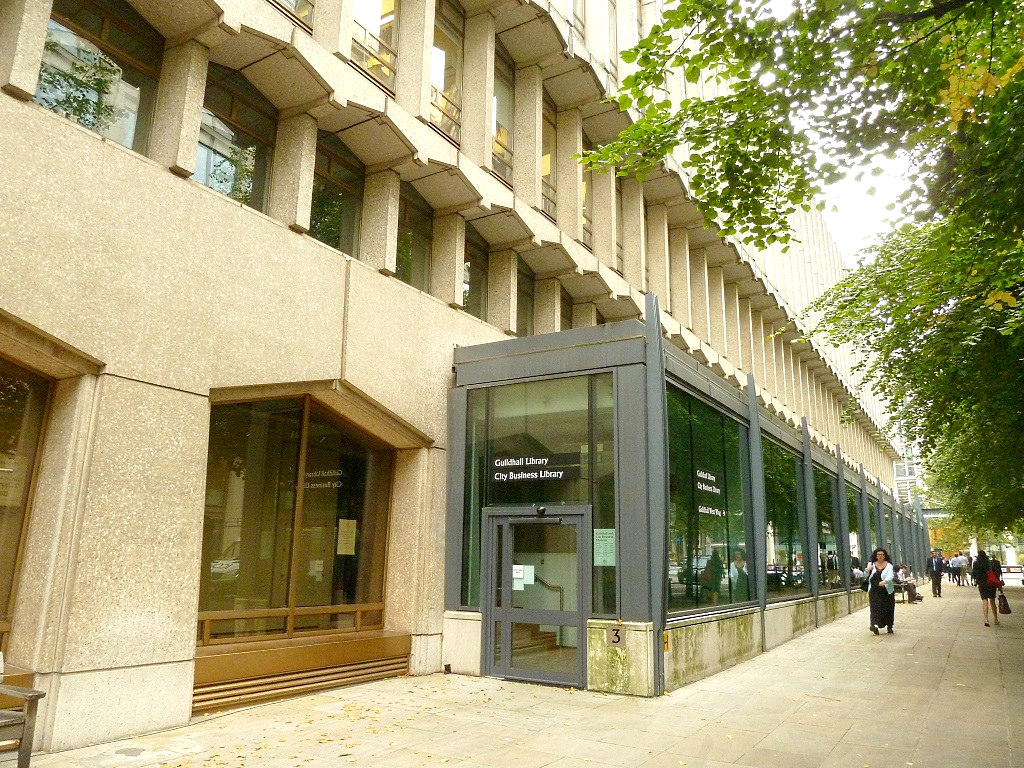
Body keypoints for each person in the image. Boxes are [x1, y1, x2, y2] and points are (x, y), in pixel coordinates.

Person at [865, 547, 896, 634]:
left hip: (886, 590)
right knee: (875, 608)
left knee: (888, 608)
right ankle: (874, 625)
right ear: (875, 555)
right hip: (874, 590)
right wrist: (867, 570)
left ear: (885, 556)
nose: (880, 556)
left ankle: (889, 626)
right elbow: (865, 576)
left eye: (882, 555)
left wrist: (885, 581)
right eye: (878, 555)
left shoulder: (889, 565)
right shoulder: (871, 564)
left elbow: (891, 575)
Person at [972, 550, 1002, 627]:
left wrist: (976, 580)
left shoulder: (976, 563)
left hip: (982, 584)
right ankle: (996, 619)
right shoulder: (989, 563)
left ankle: (986, 620)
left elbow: (974, 574)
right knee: (992, 601)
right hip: (990, 583)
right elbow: (994, 572)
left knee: (985, 601)